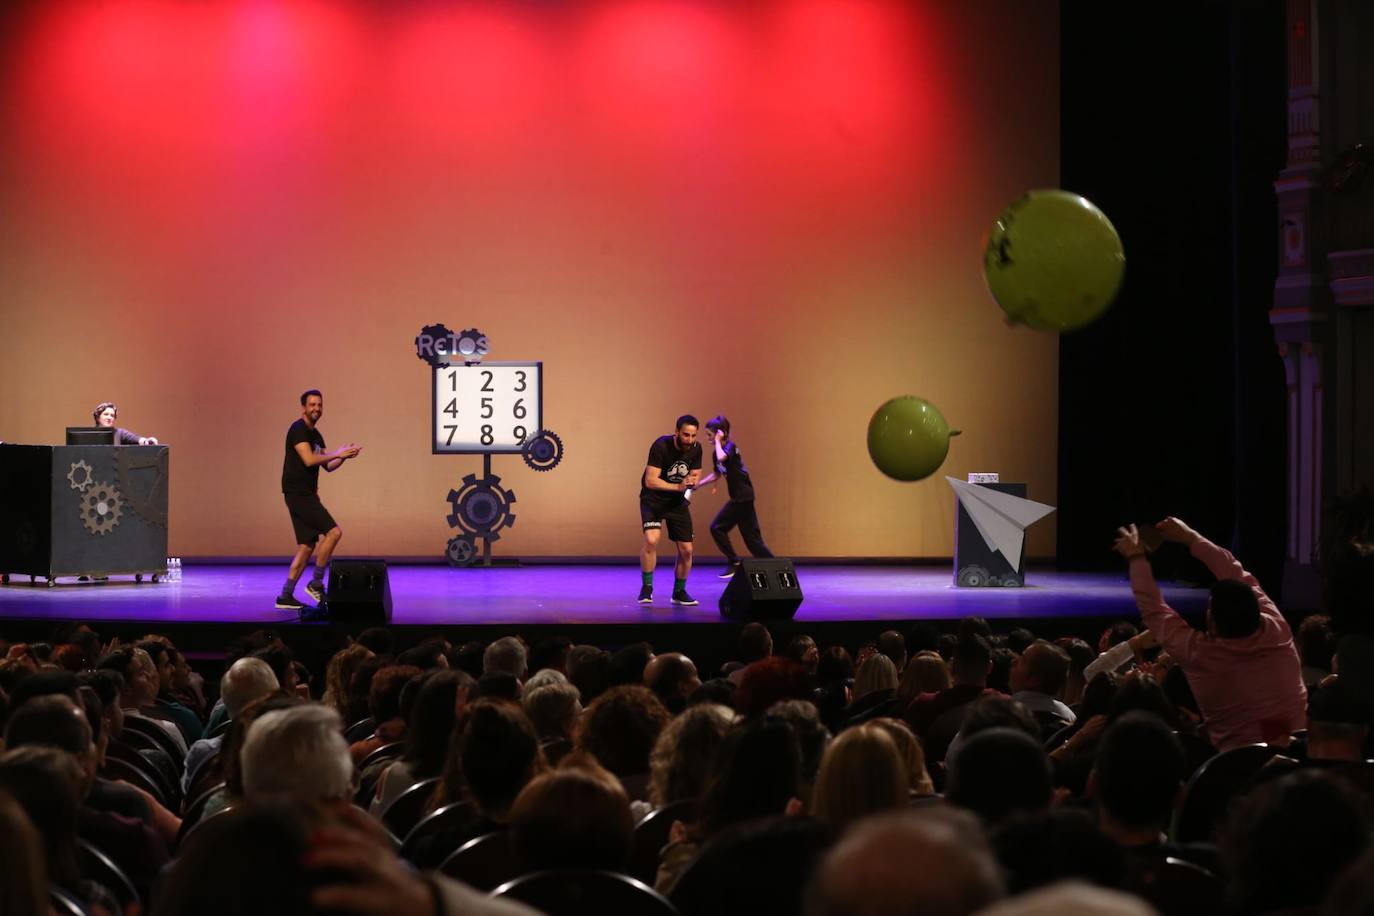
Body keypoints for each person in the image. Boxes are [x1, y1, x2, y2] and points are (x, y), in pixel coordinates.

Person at [1113, 517, 1307, 749]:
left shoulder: (1199, 653)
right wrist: (1190, 537)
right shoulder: (1277, 627)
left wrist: (1136, 557)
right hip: (1296, 757)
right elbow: (1236, 572)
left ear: (1212, 623)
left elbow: (1154, 610)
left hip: (1236, 771)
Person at [277, 389, 361, 611]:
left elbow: (328, 465)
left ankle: (285, 595)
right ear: (304, 407)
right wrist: (337, 453)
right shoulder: (298, 430)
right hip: (298, 493)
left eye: (319, 405)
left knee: (307, 546)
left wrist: (344, 457)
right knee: (334, 532)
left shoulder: (316, 435)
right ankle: (316, 583)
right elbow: (308, 459)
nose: (316, 409)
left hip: (305, 494)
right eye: (312, 405)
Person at [638, 414, 703, 606]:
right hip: (653, 500)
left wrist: (693, 482)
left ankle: (679, 592)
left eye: (693, 436)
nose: (689, 440)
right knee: (651, 540)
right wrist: (678, 487)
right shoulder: (661, 446)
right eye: (685, 435)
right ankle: (647, 588)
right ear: (677, 432)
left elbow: (696, 476)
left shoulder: (696, 449)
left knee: (687, 551)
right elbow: (650, 480)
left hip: (677, 503)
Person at [92, 401, 159, 445]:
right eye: (106, 414)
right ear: (98, 417)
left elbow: (135, 438)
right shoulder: (90, 434)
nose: (109, 417)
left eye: (112, 415)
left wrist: (146, 441)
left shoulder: (120, 433)